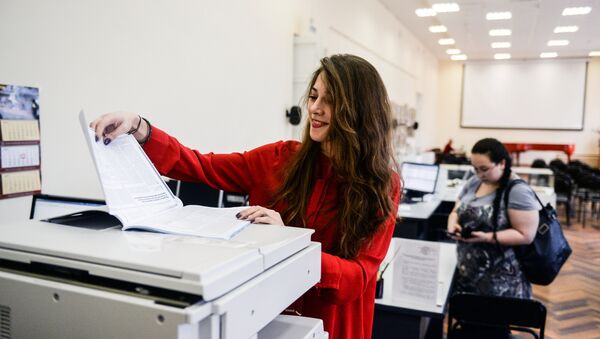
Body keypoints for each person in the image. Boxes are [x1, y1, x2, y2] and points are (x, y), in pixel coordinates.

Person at [91, 54, 401, 339]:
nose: (315, 108)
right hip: (269, 318)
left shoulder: (382, 185)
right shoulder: (280, 159)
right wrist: (140, 129)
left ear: (358, 111)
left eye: (329, 100)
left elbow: (357, 278)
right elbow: (200, 166)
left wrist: (289, 243)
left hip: (334, 326)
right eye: (313, 95)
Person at [447, 138, 539, 299]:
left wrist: (486, 238)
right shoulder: (474, 181)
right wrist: (452, 224)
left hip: (500, 282)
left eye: (484, 169)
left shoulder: (518, 190)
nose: (479, 174)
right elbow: (456, 210)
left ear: (502, 163)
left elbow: (526, 235)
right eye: (475, 169)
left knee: (491, 324)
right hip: (468, 274)